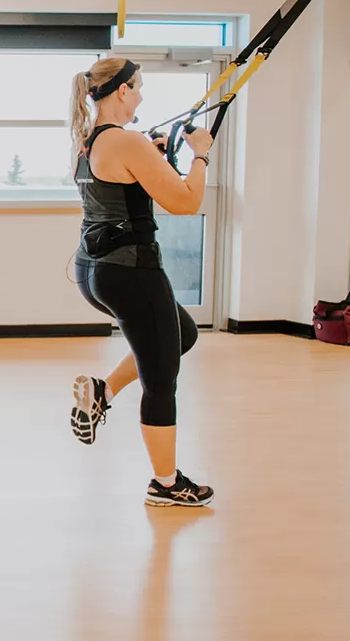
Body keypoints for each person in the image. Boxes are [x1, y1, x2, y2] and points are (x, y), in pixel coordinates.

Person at [67, 58, 215, 508]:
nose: (143, 95)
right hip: (131, 272)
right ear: (123, 91)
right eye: (139, 86)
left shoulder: (87, 142)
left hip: (93, 272)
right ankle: (166, 484)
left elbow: (133, 186)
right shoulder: (129, 143)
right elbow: (186, 201)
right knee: (160, 378)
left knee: (181, 334)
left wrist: (158, 155)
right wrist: (201, 154)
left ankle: (102, 391)